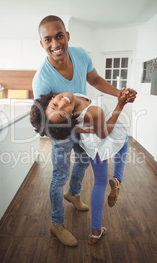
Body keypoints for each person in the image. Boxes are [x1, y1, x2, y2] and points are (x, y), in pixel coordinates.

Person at [32, 14, 136, 247]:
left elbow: (96, 79)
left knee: (84, 161)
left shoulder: (80, 55)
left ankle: (74, 194)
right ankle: (57, 223)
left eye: (59, 36)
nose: (55, 44)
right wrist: (70, 127)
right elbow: (45, 119)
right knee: (60, 177)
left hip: (83, 119)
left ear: (67, 36)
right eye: (47, 40)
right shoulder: (42, 79)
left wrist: (118, 94)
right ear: (42, 44)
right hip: (62, 128)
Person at [30, 90, 135, 244]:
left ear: (51, 98)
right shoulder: (93, 112)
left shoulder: (72, 99)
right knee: (124, 138)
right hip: (103, 138)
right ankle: (118, 179)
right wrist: (120, 104)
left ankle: (95, 232)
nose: (63, 103)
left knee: (100, 182)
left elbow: (76, 125)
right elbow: (105, 133)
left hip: (91, 143)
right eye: (62, 112)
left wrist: (84, 129)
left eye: (55, 104)